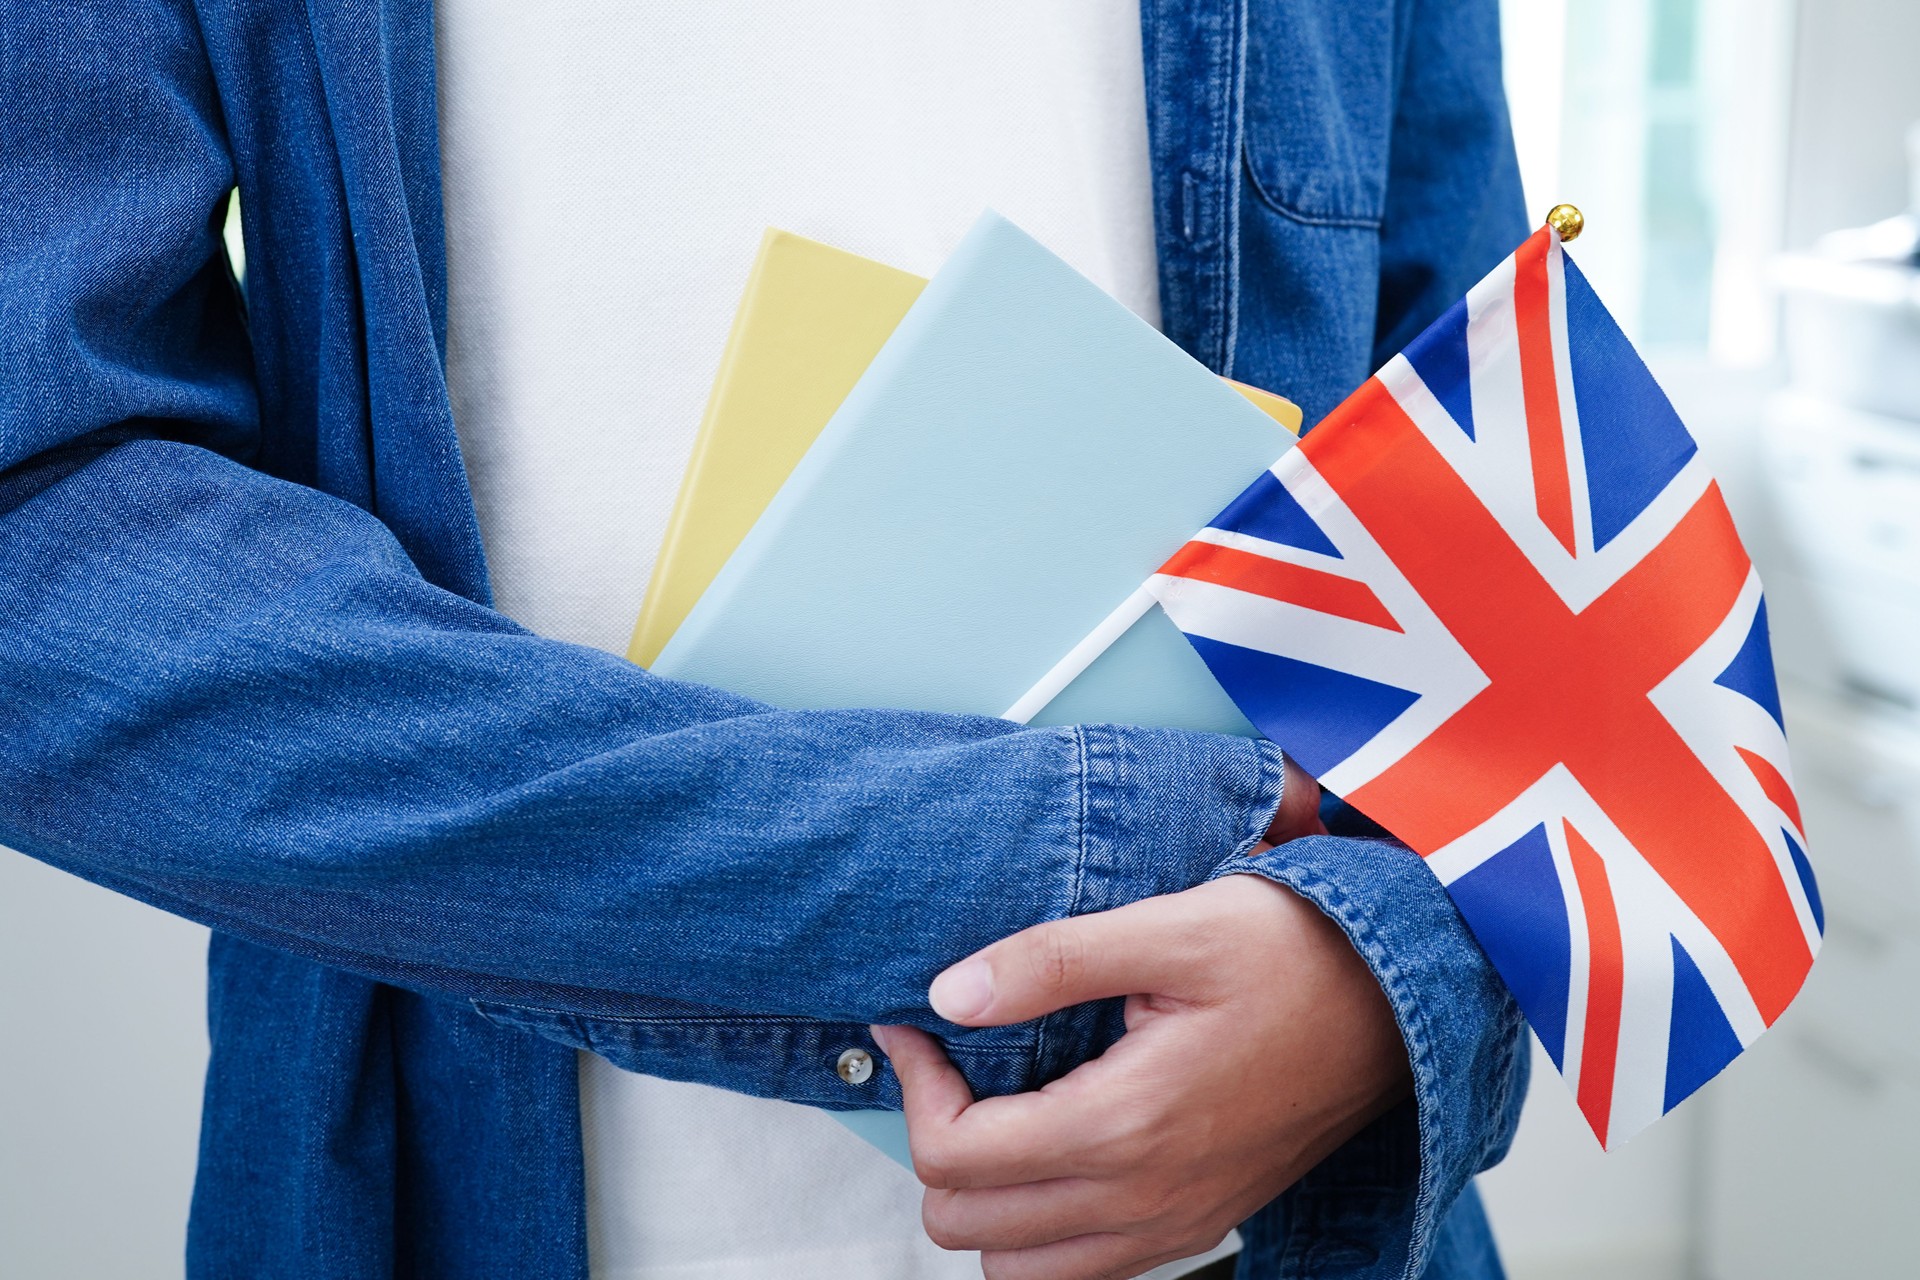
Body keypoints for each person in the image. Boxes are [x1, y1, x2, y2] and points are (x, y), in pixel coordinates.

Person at [0, 1, 1528, 1277]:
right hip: (468, 1196)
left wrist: (1385, 979)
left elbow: (1494, 527)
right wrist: (1029, 857)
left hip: (1266, 1213)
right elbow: (39, 511)